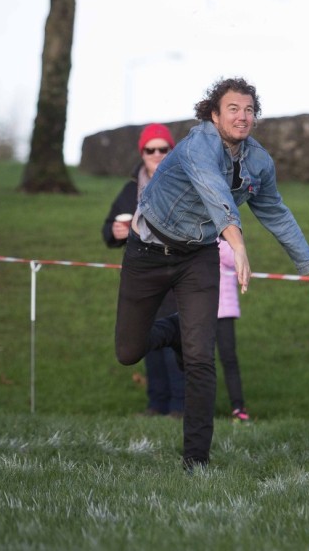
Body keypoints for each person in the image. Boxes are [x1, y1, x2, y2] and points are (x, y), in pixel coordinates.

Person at [115, 76, 309, 471]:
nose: (243, 116)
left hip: (197, 256)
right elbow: (213, 189)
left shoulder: (259, 163)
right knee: (128, 351)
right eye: (233, 108)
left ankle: (196, 462)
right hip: (146, 252)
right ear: (213, 114)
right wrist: (236, 241)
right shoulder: (199, 144)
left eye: (250, 109)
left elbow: (277, 214)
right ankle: (179, 332)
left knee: (201, 358)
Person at [102, 123, 185, 418]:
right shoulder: (129, 190)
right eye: (151, 149)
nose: (158, 154)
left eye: (164, 149)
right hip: (142, 277)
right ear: (143, 152)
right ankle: (156, 404)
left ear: (173, 151)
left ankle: (179, 406)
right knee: (145, 338)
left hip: (176, 273)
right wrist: (115, 232)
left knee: (176, 339)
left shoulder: (183, 184)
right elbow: (108, 231)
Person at [216, 238, 250, 422]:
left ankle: (238, 407)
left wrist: (216, 243)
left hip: (224, 312)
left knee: (229, 360)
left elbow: (234, 260)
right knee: (200, 361)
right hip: (199, 311)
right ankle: (199, 406)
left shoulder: (226, 241)